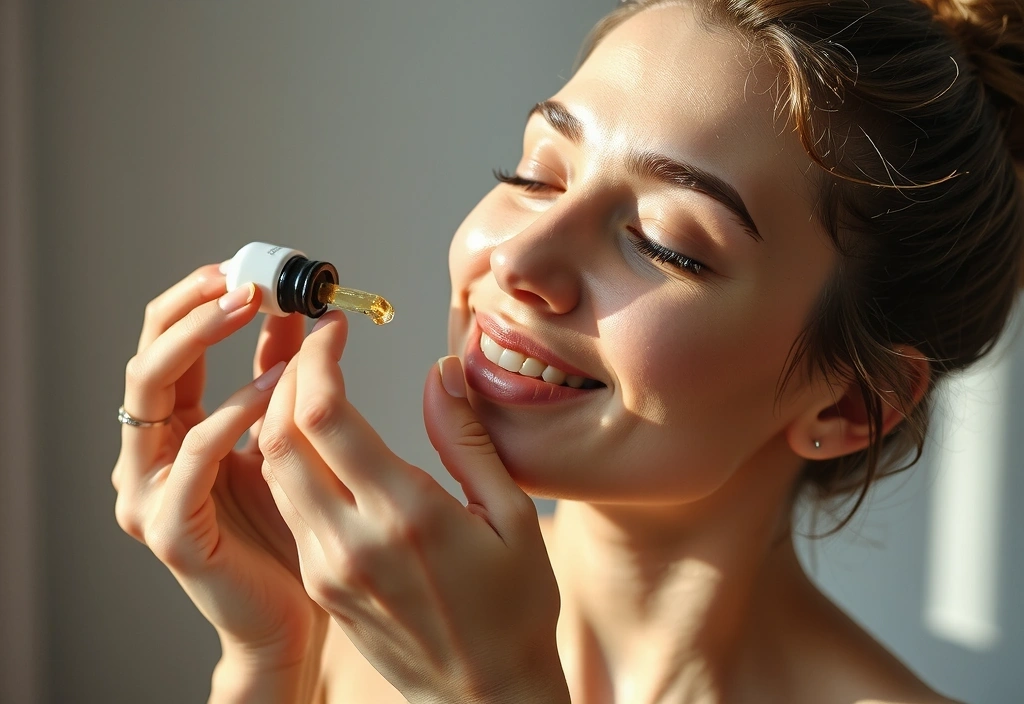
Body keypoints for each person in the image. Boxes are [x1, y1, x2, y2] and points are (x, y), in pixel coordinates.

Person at [112, 0, 1024, 702]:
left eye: (667, 243)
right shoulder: (349, 634)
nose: (517, 259)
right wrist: (272, 657)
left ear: (847, 406)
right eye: (535, 174)